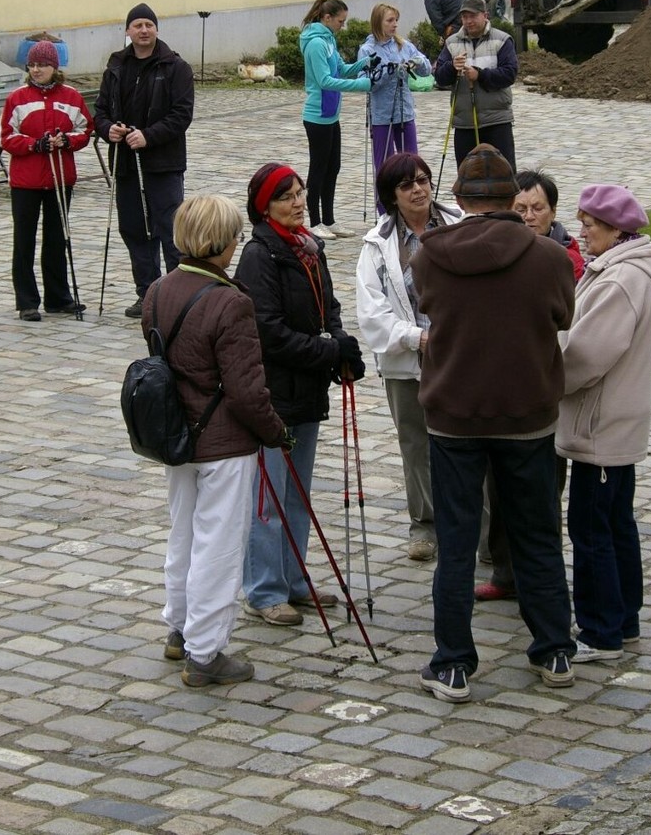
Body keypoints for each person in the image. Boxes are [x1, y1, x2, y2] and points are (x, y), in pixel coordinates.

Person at [413, 144, 576, 702]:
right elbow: (562, 316)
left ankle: (454, 663)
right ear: (513, 200)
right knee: (537, 535)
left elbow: (429, 306)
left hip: (454, 415)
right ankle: (554, 649)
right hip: (527, 413)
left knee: (456, 544)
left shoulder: (429, 256)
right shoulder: (551, 258)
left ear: (457, 200)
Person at [141, 195, 290, 688]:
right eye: (235, 238)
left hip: (175, 436)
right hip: (223, 441)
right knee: (219, 544)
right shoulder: (231, 302)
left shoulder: (158, 290)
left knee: (182, 533)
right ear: (221, 243)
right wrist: (275, 432)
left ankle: (179, 629)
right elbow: (248, 390)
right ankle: (206, 653)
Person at [235, 163, 365, 626]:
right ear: (264, 207)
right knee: (268, 495)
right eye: (286, 196)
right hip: (274, 394)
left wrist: (341, 346)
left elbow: (328, 307)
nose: (297, 201)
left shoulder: (310, 248)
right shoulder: (260, 254)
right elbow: (267, 332)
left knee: (298, 492)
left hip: (306, 391)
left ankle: (293, 579)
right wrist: (327, 351)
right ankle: (264, 589)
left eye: (300, 192)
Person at [556, 184, 651, 662]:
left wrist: (545, 377)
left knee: (592, 529)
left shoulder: (619, 280)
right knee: (616, 523)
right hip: (614, 420)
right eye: (582, 222)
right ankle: (624, 620)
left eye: (592, 225)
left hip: (600, 424)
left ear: (618, 229)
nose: (583, 232)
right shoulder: (624, 270)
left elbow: (586, 356)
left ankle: (601, 630)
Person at [475, 167, 584, 602]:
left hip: (545, 388)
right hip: (501, 388)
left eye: (537, 207)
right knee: (498, 487)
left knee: (541, 493)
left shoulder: (566, 257)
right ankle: (505, 571)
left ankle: (539, 576)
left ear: (553, 212)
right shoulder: (500, 251)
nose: (528, 215)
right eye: (519, 208)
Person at [356, 151, 461, 561]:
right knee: (416, 446)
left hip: (460, 358)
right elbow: (371, 312)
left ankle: (481, 527)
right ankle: (425, 525)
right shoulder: (377, 244)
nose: (418, 189)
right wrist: (416, 339)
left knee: (467, 443)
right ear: (391, 196)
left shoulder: (458, 225)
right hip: (406, 362)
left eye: (423, 180)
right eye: (406, 185)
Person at [93, 4, 194, 318]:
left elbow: (181, 115)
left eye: (149, 24)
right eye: (137, 25)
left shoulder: (175, 67)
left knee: (170, 230)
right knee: (135, 230)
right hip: (126, 164)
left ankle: (178, 296)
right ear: (127, 31)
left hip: (163, 163)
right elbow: (100, 112)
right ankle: (148, 294)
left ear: (156, 30)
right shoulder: (116, 67)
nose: (143, 30)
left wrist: (149, 136)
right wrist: (109, 129)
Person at [0, 40, 93, 321]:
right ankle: (27, 301)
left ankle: (58, 297)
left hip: (59, 177)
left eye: (43, 65)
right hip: (26, 180)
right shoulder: (17, 98)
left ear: (55, 67)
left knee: (56, 238)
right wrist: (33, 144)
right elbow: (7, 137)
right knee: (24, 240)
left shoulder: (71, 96)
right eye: (33, 65)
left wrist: (66, 140)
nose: (37, 70)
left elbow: (85, 130)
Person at [299, 0, 372, 239]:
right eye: (341, 21)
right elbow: (324, 81)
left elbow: (340, 69)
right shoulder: (316, 43)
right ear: (327, 18)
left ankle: (329, 220)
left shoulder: (329, 40)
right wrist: (362, 84)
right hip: (317, 115)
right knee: (318, 168)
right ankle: (314, 221)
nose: (343, 25)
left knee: (334, 167)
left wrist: (365, 63)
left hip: (331, 115)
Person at [359, 4, 432, 212]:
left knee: (411, 161)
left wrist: (417, 62)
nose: (394, 25)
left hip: (405, 112)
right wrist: (386, 73)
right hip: (382, 115)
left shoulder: (403, 45)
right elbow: (365, 81)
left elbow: (427, 67)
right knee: (384, 164)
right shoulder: (367, 50)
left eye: (396, 20)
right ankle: (385, 211)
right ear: (378, 22)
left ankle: (414, 206)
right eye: (390, 21)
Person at [433, 0, 518, 170]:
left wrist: (480, 75)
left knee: (503, 174)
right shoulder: (451, 43)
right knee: (468, 177)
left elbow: (509, 74)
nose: (468, 21)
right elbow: (439, 77)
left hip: (496, 120)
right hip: (464, 122)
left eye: (473, 16)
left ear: (485, 15)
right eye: (464, 17)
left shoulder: (502, 40)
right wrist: (451, 67)